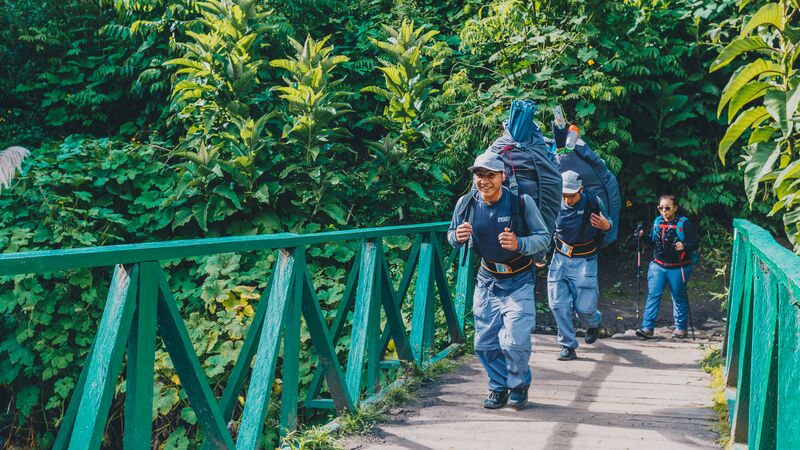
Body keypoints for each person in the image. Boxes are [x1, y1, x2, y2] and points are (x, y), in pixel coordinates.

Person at [448, 151, 551, 410]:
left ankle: (518, 385)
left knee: (515, 340)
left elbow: (544, 238)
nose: (484, 181)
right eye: (479, 176)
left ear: (502, 177)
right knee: (483, 343)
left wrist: (520, 243)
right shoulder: (466, 204)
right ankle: (498, 387)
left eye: (490, 175)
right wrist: (457, 237)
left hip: (518, 280)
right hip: (486, 280)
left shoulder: (521, 203)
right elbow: (450, 235)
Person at [547, 171, 611, 361]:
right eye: (564, 195)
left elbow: (608, 224)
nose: (568, 199)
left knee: (584, 308)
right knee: (557, 304)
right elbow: (545, 228)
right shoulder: (554, 202)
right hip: (559, 258)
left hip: (585, 260)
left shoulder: (593, 202)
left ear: (581, 190)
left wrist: (606, 226)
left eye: (572, 195)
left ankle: (594, 323)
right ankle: (567, 345)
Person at [635, 195, 699, 339]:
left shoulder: (684, 224)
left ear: (675, 208)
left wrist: (684, 246)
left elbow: (695, 243)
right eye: (661, 208)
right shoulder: (657, 221)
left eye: (667, 208)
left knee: (678, 296)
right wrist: (642, 236)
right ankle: (647, 328)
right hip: (658, 266)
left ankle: (681, 328)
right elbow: (654, 242)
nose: (664, 211)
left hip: (678, 267)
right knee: (653, 295)